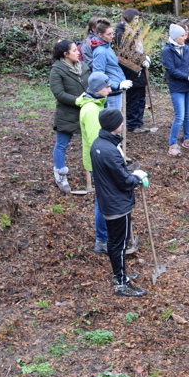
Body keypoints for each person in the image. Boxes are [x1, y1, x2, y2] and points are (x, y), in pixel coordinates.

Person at [91, 108, 148, 297]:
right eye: (120, 121)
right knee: (119, 244)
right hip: (117, 205)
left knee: (116, 243)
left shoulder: (98, 144)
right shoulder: (109, 151)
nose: (123, 124)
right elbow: (124, 181)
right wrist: (137, 176)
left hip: (108, 200)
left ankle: (119, 274)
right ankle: (121, 282)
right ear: (113, 125)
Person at [77, 72, 113, 254]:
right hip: (98, 163)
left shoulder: (95, 104)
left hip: (98, 161)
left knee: (103, 199)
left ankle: (105, 236)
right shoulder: (91, 110)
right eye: (107, 87)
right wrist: (109, 161)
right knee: (102, 200)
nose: (110, 89)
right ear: (98, 89)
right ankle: (102, 240)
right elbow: (96, 141)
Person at [49, 39, 89, 193]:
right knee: (61, 144)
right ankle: (60, 173)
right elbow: (58, 93)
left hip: (86, 112)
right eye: (74, 50)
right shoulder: (57, 70)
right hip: (67, 114)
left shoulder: (83, 66)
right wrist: (77, 100)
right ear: (65, 54)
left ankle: (94, 172)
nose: (78, 52)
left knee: (92, 143)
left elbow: (92, 84)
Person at [162, 23, 189, 156]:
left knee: (188, 115)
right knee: (179, 116)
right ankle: (172, 144)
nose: (185, 37)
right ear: (176, 36)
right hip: (177, 88)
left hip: (188, 87)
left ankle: (187, 140)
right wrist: (188, 76)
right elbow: (171, 71)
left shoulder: (185, 48)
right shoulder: (167, 51)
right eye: (182, 35)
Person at [115, 8, 152, 134]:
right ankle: (132, 124)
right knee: (133, 97)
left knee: (141, 96)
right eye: (135, 19)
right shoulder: (121, 31)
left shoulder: (136, 31)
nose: (137, 21)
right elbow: (124, 51)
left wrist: (144, 56)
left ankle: (139, 122)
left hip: (139, 68)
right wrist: (141, 58)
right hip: (129, 68)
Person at [90, 20, 131, 112]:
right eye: (108, 34)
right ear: (100, 35)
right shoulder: (100, 52)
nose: (112, 36)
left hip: (116, 91)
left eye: (112, 33)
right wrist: (117, 85)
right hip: (111, 93)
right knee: (113, 123)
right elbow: (98, 75)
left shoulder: (107, 47)